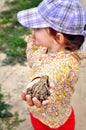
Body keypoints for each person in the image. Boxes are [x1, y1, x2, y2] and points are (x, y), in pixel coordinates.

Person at [17, 0, 86, 130]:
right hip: (37, 114)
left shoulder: (69, 61)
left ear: (58, 38)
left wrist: (41, 80)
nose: (32, 30)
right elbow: (33, 61)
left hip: (59, 122)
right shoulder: (42, 48)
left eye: (37, 28)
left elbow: (55, 71)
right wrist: (33, 41)